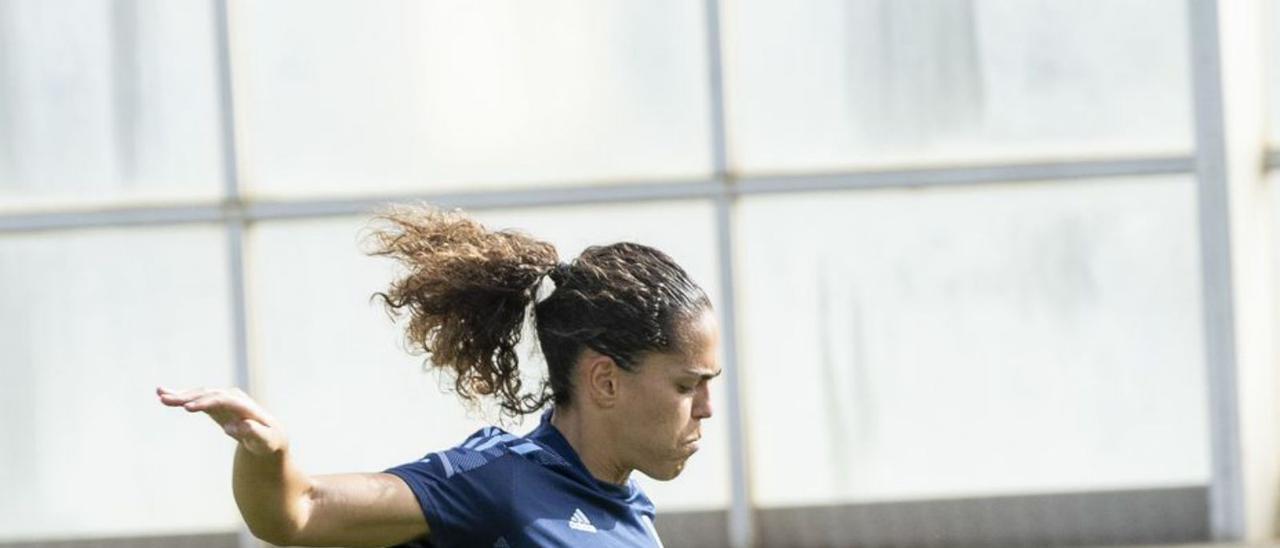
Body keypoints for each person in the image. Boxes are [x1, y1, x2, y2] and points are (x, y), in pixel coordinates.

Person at [157, 205, 721, 547]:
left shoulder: (632, 512)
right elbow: (297, 513)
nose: (706, 408)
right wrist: (267, 455)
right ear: (605, 382)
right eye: (685, 385)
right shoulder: (497, 483)